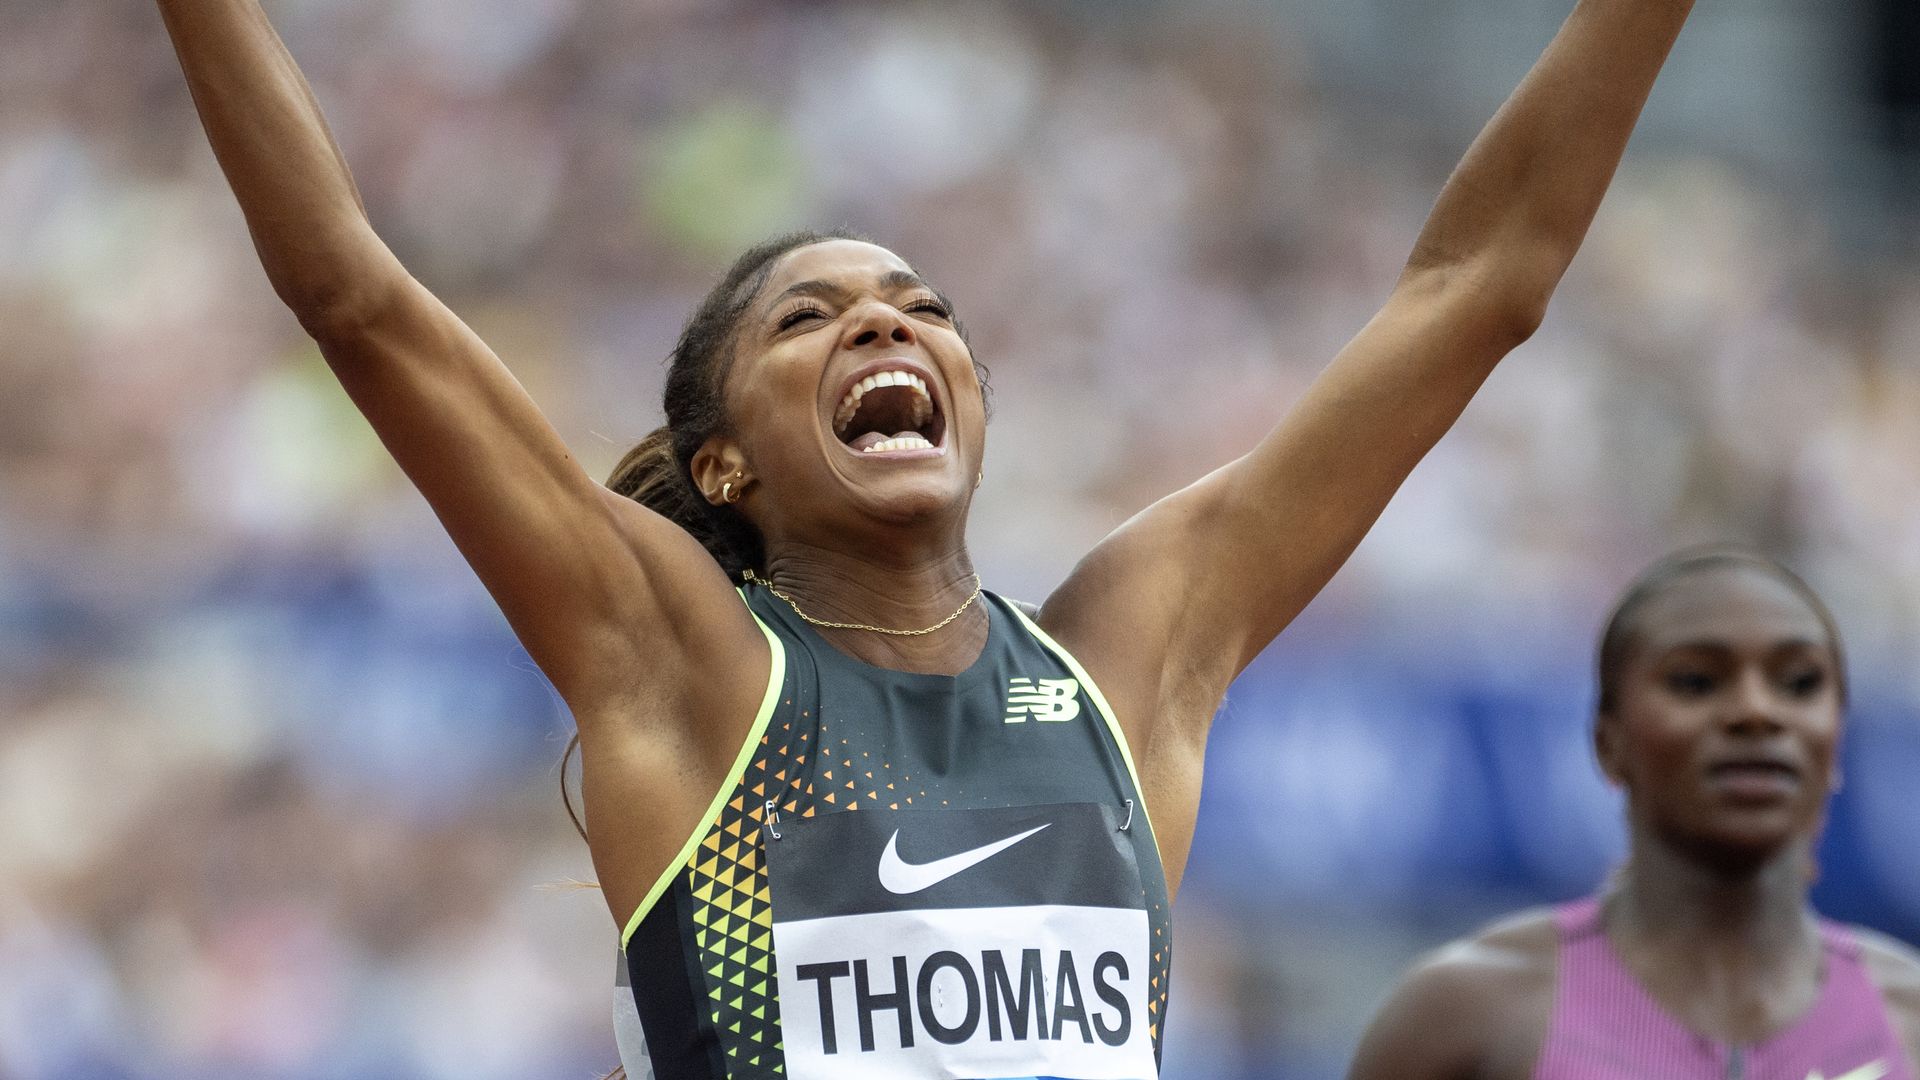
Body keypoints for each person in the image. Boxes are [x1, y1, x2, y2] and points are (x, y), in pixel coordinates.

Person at [152, 0, 1696, 1075]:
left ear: (968, 394)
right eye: (807, 318)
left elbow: (1478, 285)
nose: (885, 317)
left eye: (923, 309)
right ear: (725, 463)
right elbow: (356, 298)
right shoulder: (690, 675)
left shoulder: (1126, 661)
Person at [1348, 548, 1920, 1080]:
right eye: (1695, 680)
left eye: (1799, 682)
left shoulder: (1908, 1021)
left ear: (1837, 738)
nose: (1756, 711)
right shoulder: (1468, 1017)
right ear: (1607, 741)